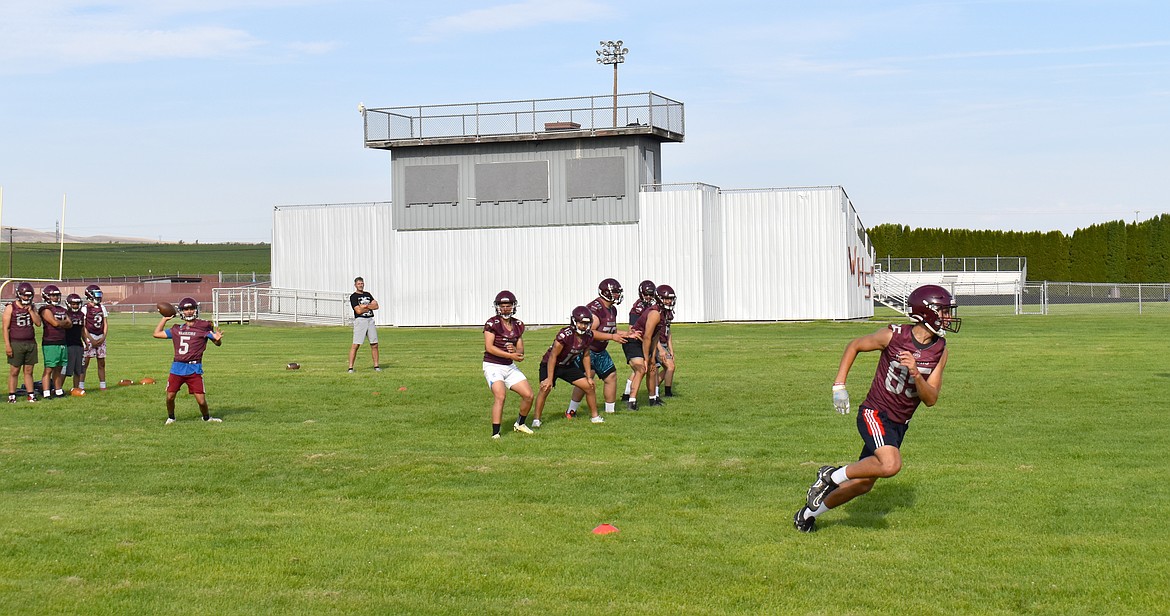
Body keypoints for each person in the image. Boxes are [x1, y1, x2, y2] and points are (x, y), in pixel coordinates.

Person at [794, 284, 960, 533]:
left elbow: (931, 398)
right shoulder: (893, 335)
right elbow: (855, 345)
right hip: (875, 412)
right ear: (927, 312)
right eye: (943, 311)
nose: (948, 317)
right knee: (891, 465)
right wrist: (839, 385)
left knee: (863, 484)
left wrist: (916, 373)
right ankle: (831, 475)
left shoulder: (940, 350)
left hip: (898, 423)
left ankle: (806, 514)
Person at [566, 278, 635, 417]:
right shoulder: (595, 309)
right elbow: (589, 332)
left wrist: (627, 334)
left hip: (600, 350)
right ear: (606, 293)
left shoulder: (612, 309)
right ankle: (571, 411)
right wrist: (612, 337)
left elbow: (610, 330)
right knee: (586, 379)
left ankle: (610, 412)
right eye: (615, 292)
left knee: (611, 376)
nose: (617, 295)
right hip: (587, 350)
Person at [153, 297, 224, 424]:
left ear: (195, 310)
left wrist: (218, 340)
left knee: (201, 400)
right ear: (181, 311)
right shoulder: (176, 329)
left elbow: (217, 343)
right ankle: (171, 417)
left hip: (194, 368)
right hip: (177, 367)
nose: (189, 311)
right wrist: (164, 318)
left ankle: (207, 418)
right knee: (170, 397)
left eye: (191, 308)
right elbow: (156, 333)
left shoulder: (204, 327)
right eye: (186, 309)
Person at [532, 306, 604, 427]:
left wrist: (588, 376)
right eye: (581, 323)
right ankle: (536, 420)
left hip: (566, 365)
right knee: (545, 388)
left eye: (586, 323)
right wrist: (549, 378)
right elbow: (553, 357)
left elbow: (586, 355)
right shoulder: (565, 335)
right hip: (550, 364)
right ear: (574, 321)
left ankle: (595, 417)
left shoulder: (588, 335)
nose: (583, 326)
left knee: (589, 387)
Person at [482, 290, 536, 439]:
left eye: (508, 305)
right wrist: (510, 355)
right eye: (502, 305)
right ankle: (496, 433)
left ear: (513, 306)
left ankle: (520, 424)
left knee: (529, 395)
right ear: (497, 307)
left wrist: (515, 351)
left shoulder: (518, 324)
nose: (505, 308)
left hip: (509, 366)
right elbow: (489, 347)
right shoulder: (492, 323)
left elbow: (520, 350)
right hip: (493, 365)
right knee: (500, 396)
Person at [621, 280, 665, 410]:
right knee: (641, 368)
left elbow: (655, 334)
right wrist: (650, 354)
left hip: (646, 341)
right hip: (636, 341)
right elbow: (635, 331)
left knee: (652, 367)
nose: (649, 297)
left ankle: (653, 398)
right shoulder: (639, 308)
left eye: (651, 295)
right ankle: (631, 399)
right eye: (647, 294)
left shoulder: (661, 310)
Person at [4, 282, 42, 403]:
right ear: (19, 294)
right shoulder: (11, 307)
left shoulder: (32, 306)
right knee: (14, 371)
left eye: (28, 296)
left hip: (30, 342)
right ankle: (12, 396)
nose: (26, 298)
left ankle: (31, 395)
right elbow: (5, 328)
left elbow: (38, 323)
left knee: (29, 371)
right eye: (24, 295)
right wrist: (8, 345)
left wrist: (31, 311)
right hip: (16, 342)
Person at [38, 284, 73, 400]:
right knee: (49, 368)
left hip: (62, 341)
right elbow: (55, 323)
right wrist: (61, 323)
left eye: (57, 295)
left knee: (59, 367)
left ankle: (58, 390)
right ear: (47, 296)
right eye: (53, 295)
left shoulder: (62, 309)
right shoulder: (45, 309)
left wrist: (60, 323)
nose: (56, 298)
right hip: (50, 342)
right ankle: (46, 392)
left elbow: (70, 323)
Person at [348, 277, 380, 373]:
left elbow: (376, 306)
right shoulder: (353, 297)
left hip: (370, 320)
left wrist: (364, 306)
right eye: (359, 284)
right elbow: (357, 310)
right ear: (355, 285)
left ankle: (376, 366)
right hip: (360, 321)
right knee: (356, 344)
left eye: (362, 283)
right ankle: (350, 367)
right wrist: (369, 306)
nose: (361, 285)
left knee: (374, 344)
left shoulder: (368, 294)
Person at [81, 284, 109, 391]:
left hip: (100, 336)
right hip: (89, 337)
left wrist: (103, 337)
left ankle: (103, 385)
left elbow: (105, 323)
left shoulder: (102, 307)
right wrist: (90, 339)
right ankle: (81, 385)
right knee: (85, 362)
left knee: (101, 362)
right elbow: (83, 325)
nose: (98, 297)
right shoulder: (85, 308)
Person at [654, 284, 677, 398]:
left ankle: (655, 389)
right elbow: (652, 333)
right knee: (668, 366)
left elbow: (668, 331)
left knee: (670, 367)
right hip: (654, 344)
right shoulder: (656, 312)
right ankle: (664, 393)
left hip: (663, 343)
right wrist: (660, 349)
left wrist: (671, 349)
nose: (669, 301)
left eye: (671, 298)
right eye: (667, 298)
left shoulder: (667, 312)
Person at [62, 293, 87, 394]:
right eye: (73, 304)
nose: (75, 306)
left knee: (78, 369)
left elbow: (82, 330)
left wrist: (85, 341)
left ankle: (75, 388)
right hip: (68, 344)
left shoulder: (81, 315)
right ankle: (58, 388)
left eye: (77, 304)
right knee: (64, 370)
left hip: (78, 344)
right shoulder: (65, 314)